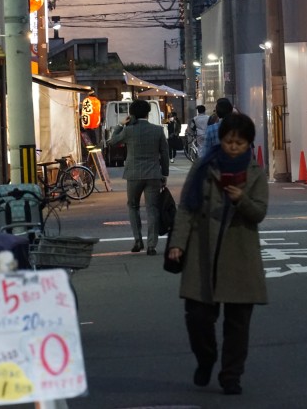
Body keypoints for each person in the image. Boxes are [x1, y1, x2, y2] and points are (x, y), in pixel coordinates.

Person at [167, 113, 268, 395]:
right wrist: (178, 243)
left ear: (249, 143)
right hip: (203, 252)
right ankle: (206, 358)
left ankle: (231, 376)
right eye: (228, 141)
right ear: (220, 140)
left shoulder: (255, 172)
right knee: (197, 317)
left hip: (239, 256)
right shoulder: (203, 167)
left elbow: (259, 213)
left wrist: (242, 199)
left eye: (239, 142)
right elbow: (186, 208)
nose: (233, 147)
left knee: (238, 325)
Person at [106, 99, 169, 255]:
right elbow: (165, 154)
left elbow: (111, 142)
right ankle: (152, 245)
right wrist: (164, 173)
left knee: (133, 207)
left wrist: (121, 124)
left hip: (133, 174)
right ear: (148, 113)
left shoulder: (128, 130)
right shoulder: (157, 130)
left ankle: (138, 240)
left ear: (132, 114)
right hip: (153, 174)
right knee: (152, 209)